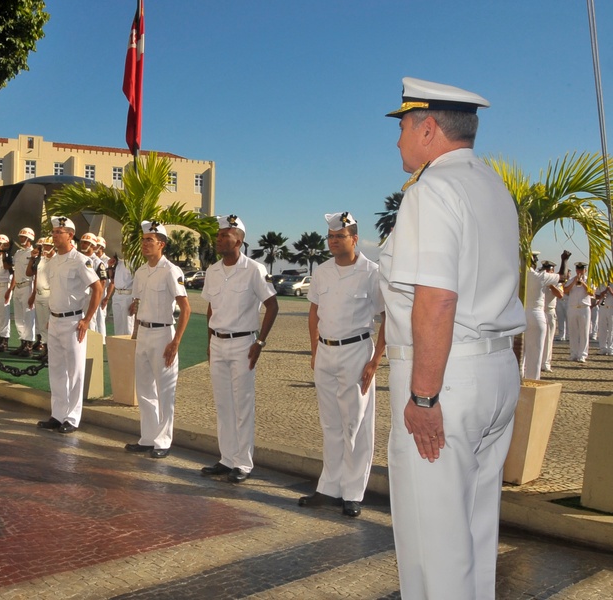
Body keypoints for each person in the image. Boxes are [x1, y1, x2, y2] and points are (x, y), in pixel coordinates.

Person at [380, 77, 526, 599]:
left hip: (446, 380)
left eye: (402, 127)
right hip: (493, 371)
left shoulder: (433, 189)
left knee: (434, 543)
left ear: (428, 128)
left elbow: (437, 299)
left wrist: (424, 397)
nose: (397, 139)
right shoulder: (492, 186)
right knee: (474, 530)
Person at [299, 211, 386, 518]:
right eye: (331, 237)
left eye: (340, 236)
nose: (333, 241)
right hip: (326, 351)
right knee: (331, 423)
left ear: (355, 239)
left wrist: (375, 361)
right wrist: (314, 350)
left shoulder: (371, 272)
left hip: (356, 352)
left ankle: (353, 493)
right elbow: (314, 312)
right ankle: (329, 488)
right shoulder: (322, 271)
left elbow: (387, 317)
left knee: (356, 424)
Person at [201, 214, 278, 483]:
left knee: (242, 404)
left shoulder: (254, 269)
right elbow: (211, 308)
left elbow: (272, 306)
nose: (219, 239)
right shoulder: (212, 271)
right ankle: (226, 459)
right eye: (218, 235)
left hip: (243, 344)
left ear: (239, 241)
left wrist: (260, 342)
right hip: (218, 343)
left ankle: (243, 464)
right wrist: (209, 342)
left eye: (225, 235)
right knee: (223, 404)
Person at [124, 221, 190, 459]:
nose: (144, 244)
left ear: (161, 244)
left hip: (163, 334)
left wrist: (176, 342)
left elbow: (186, 308)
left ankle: (163, 441)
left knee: (164, 391)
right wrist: (135, 333)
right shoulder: (141, 272)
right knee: (144, 389)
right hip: (144, 333)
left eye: (149, 240)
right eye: (143, 240)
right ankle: (148, 438)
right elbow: (138, 304)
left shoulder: (171, 271)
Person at [36, 217, 102, 434]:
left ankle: (72, 418)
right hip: (55, 320)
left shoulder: (80, 260)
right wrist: (51, 315)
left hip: (73, 322)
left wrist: (87, 319)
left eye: (59, 232)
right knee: (56, 370)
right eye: (54, 232)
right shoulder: (53, 261)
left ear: (70, 235)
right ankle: (57, 414)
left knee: (75, 371)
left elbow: (97, 288)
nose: (55, 235)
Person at [522, 252, 562, 380]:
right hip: (536, 314)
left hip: (519, 313)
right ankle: (532, 380)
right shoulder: (539, 276)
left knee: (520, 351)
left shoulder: (517, 274)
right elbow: (563, 276)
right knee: (535, 352)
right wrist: (564, 260)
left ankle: (518, 377)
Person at [10, 228, 37, 357]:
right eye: (20, 236)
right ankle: (23, 342)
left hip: (27, 286)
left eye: (23, 237)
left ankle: (29, 345)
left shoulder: (33, 253)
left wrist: (33, 293)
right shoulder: (18, 253)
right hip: (18, 287)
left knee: (28, 317)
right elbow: (15, 271)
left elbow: (35, 274)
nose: (21, 239)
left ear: (29, 238)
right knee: (19, 317)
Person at [27, 236, 54, 362]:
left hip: (49, 294)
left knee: (49, 324)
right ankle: (45, 349)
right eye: (44, 246)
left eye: (48, 246)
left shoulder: (56, 261)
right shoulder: (41, 260)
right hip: (39, 294)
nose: (45, 248)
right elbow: (31, 274)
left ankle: (51, 351)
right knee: (42, 324)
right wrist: (32, 259)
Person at [78, 232, 108, 336]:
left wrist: (97, 299)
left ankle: (91, 346)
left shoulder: (98, 262)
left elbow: (102, 282)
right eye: (82, 242)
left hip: (90, 296)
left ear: (93, 246)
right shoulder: (78, 258)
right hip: (78, 295)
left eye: (86, 243)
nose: (83, 245)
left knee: (90, 324)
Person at [541, 257, 566, 372]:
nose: (547, 272)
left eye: (549, 270)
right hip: (539, 311)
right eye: (545, 269)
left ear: (553, 271)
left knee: (548, 339)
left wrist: (551, 285)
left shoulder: (556, 281)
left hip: (549, 311)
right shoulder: (539, 279)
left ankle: (545, 363)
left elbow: (560, 295)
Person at [565, 262, 593, 363]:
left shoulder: (590, 280)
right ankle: (574, 354)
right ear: (576, 270)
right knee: (573, 332)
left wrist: (583, 283)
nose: (580, 271)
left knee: (584, 332)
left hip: (584, 308)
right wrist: (574, 281)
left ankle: (583, 355)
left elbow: (591, 292)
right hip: (572, 308)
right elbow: (565, 291)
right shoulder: (571, 280)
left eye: (582, 269)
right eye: (578, 269)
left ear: (585, 270)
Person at [108, 254, 136, 336]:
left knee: (128, 327)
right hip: (117, 294)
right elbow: (113, 280)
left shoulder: (135, 262)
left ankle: (128, 344)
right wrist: (110, 266)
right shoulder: (119, 262)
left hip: (128, 295)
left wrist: (135, 300)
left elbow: (139, 282)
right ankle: (119, 344)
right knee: (118, 327)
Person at [595, 280, 613, 355]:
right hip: (603, 308)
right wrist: (603, 293)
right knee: (602, 329)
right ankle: (602, 348)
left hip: (612, 308)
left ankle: (611, 348)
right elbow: (596, 296)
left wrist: (610, 291)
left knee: (611, 329)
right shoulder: (602, 284)